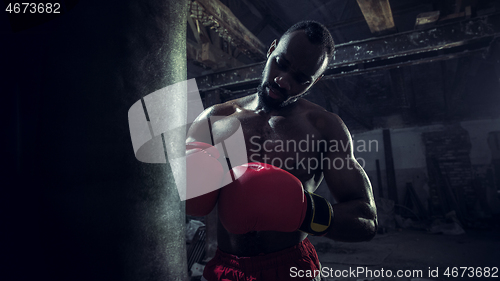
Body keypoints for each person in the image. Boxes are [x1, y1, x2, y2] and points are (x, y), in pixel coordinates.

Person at [186, 20, 377, 281]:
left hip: (290, 267)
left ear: (316, 81)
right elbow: (190, 201)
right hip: (226, 267)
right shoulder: (214, 119)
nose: (282, 81)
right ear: (271, 49)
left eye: (300, 78)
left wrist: (305, 211)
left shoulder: (325, 127)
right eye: (281, 63)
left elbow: (366, 219)